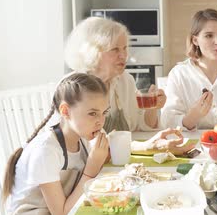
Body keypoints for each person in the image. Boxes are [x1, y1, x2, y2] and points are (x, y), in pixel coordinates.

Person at [2, 73, 110, 215]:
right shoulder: (46, 151)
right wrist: (91, 169)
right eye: (92, 113)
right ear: (65, 111)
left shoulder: (81, 139)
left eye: (104, 113)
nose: (100, 120)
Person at [64, 17, 190, 155]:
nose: (123, 55)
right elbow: (85, 146)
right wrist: (143, 147)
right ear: (93, 53)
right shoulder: (74, 88)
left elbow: (138, 126)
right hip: (88, 165)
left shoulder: (125, 80)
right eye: (115, 49)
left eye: (125, 48)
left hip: (121, 159)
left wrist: (152, 108)